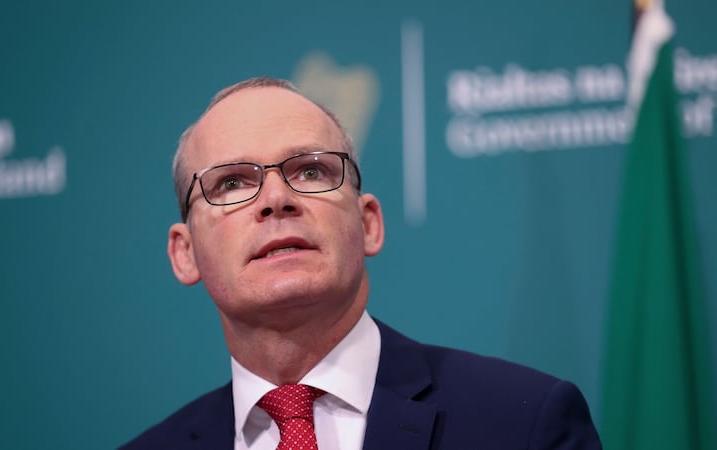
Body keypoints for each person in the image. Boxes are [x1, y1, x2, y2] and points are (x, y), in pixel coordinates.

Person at [121, 76, 602, 450]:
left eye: (311, 171)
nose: (275, 198)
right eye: (232, 183)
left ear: (368, 222)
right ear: (185, 253)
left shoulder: (521, 423)